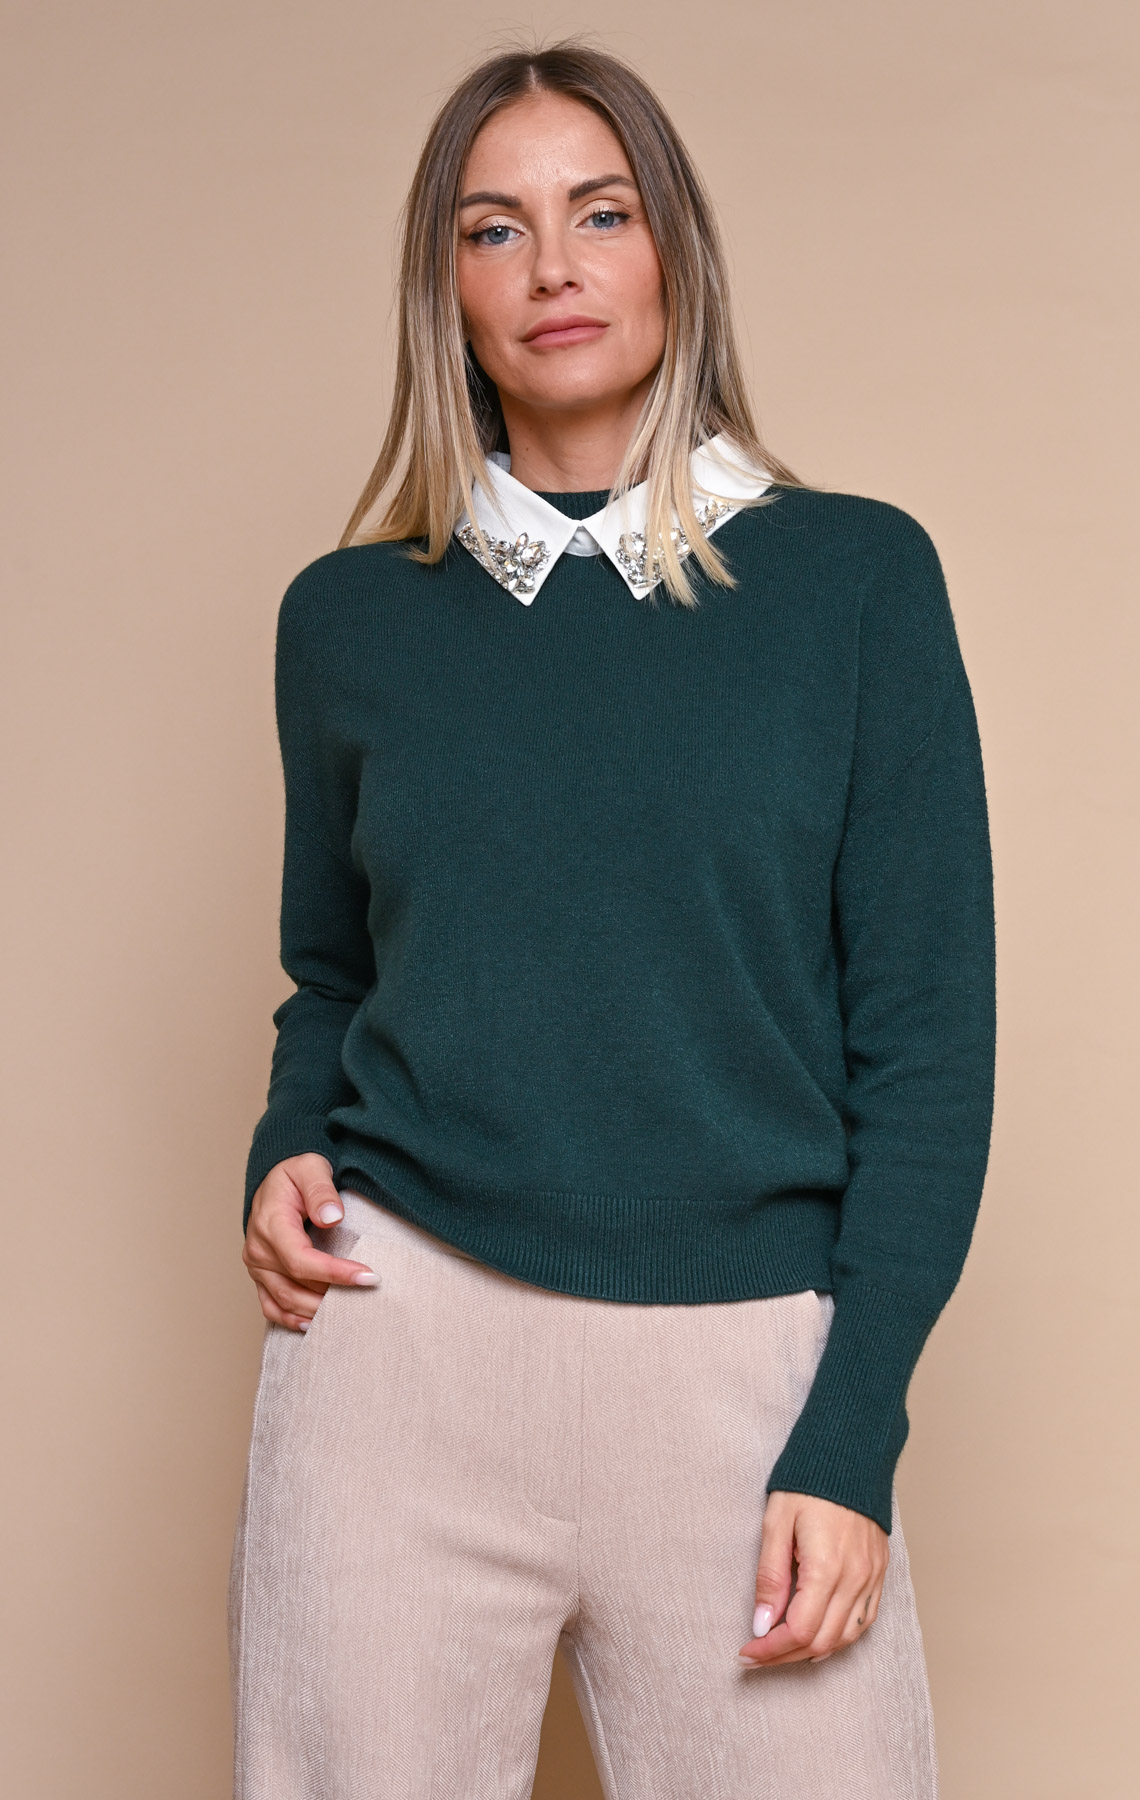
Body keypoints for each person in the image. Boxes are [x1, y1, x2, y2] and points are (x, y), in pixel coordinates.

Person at [228, 38, 995, 1800]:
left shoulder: (856, 582)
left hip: (750, 1372)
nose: (552, 268)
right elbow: (333, 975)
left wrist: (852, 1431)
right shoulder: (348, 621)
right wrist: (285, 1143)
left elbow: (928, 1049)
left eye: (601, 213)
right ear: (446, 289)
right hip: (397, 1358)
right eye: (493, 229)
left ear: (676, 251)